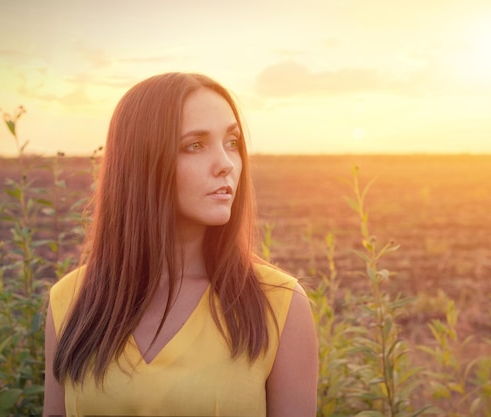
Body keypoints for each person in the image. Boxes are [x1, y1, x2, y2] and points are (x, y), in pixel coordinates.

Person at [43, 72, 318, 417]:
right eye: (195, 145)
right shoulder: (70, 299)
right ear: (141, 162)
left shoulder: (279, 304)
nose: (226, 164)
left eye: (232, 142)